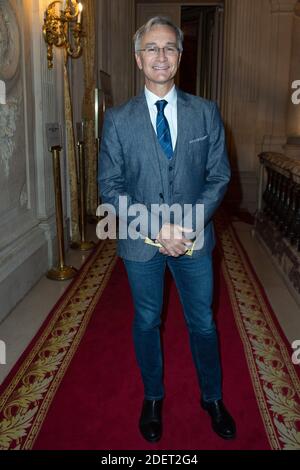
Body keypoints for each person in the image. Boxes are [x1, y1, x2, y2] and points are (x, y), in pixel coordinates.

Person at [99, 16, 236, 443]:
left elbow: (219, 177)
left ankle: (212, 397)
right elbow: (110, 186)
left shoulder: (206, 112)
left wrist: (188, 227)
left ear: (180, 56)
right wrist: (161, 230)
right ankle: (153, 398)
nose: (162, 56)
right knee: (146, 321)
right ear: (139, 59)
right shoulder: (119, 120)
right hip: (142, 243)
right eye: (152, 49)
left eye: (170, 48)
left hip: (195, 241)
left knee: (203, 324)